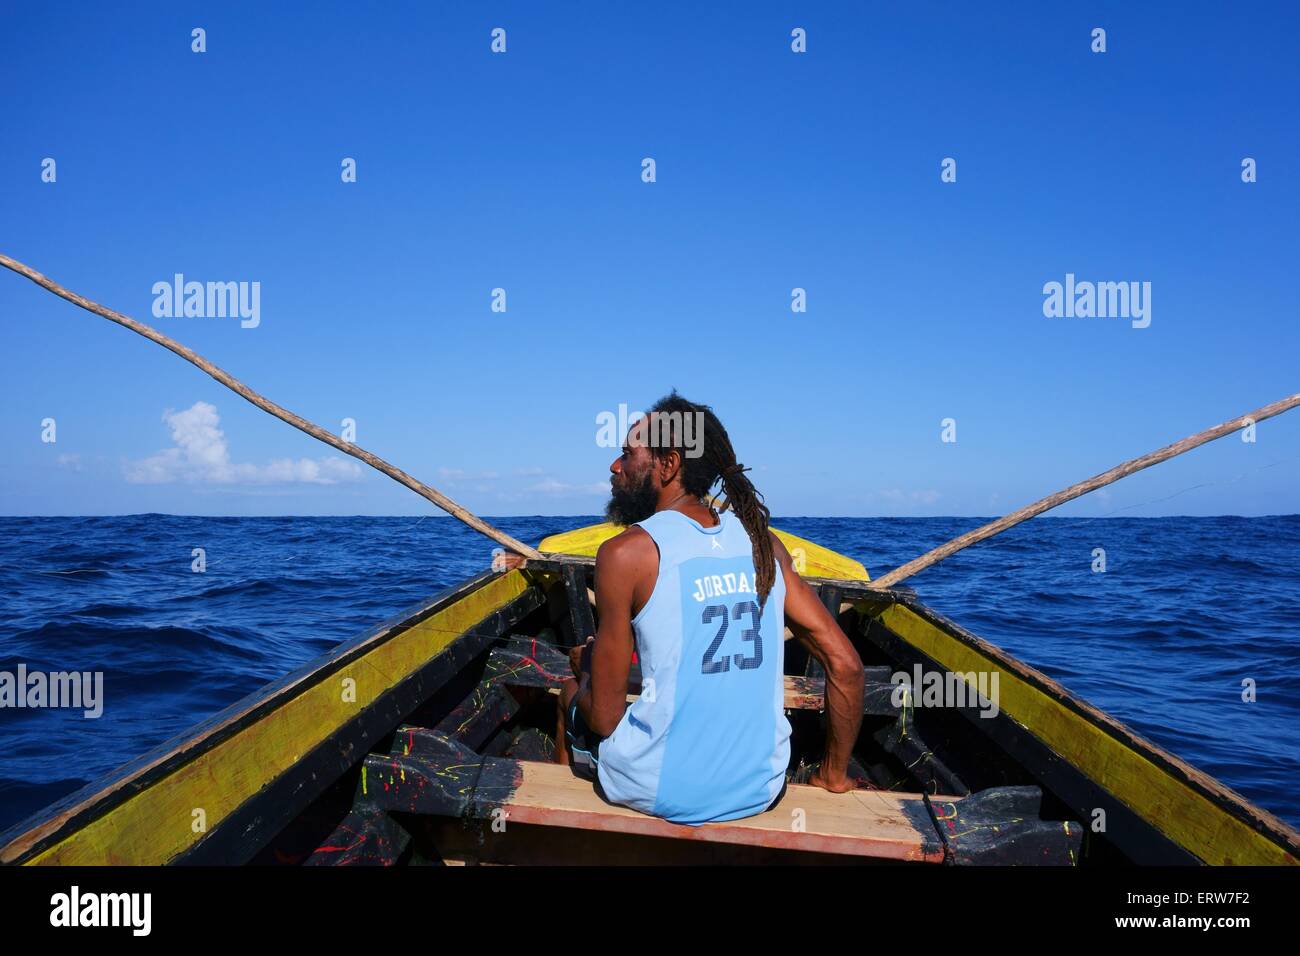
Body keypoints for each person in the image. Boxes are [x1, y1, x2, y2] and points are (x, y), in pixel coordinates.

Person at [558, 391, 865, 825]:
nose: (615, 466)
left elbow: (606, 719)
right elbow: (846, 665)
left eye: (627, 454)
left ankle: (567, 832)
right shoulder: (764, 545)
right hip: (761, 790)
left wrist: (586, 668)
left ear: (668, 465)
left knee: (571, 695)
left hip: (653, 790)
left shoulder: (624, 554)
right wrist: (833, 775)